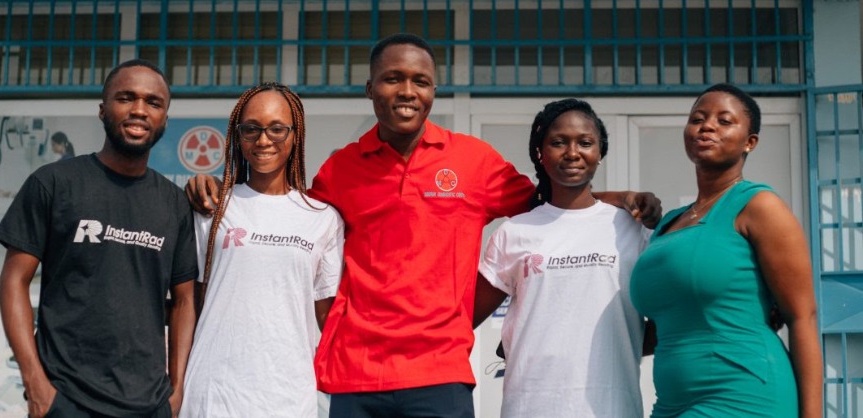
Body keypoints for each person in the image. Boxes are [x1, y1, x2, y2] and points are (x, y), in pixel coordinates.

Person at [186, 33, 660, 418]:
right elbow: (286, 215)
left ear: (434, 91)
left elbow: (550, 201)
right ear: (370, 89)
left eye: (421, 81)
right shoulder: (341, 169)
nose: (407, 91)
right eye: (392, 79)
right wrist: (217, 188)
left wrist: (615, 199)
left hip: (440, 373)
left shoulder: (473, 161)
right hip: (356, 374)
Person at [0, 59, 198, 418]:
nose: (139, 110)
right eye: (126, 98)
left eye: (153, 102)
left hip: (150, 404)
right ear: (103, 109)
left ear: (165, 119)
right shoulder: (53, 183)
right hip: (65, 399)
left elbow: (184, 301)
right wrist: (35, 384)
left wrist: (177, 390)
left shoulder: (174, 204)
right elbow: (14, 280)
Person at [629, 83, 822, 417]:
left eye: (724, 121)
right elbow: (663, 326)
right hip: (671, 403)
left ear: (750, 142)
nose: (707, 126)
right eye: (698, 119)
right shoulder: (668, 223)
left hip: (744, 394)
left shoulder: (759, 206)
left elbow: (802, 317)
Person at [473, 98, 652, 418]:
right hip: (530, 408)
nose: (572, 152)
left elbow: (671, 322)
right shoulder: (515, 232)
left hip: (613, 408)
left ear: (600, 152)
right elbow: (463, 318)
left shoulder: (631, 228)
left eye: (585, 142)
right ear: (540, 153)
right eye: (558, 142)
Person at [178, 82, 344, 417]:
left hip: (288, 397)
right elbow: (189, 302)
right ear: (238, 136)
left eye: (277, 129)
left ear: (295, 135)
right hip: (213, 395)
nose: (263, 140)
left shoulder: (322, 219)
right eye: (251, 129)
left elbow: (327, 316)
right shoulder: (212, 207)